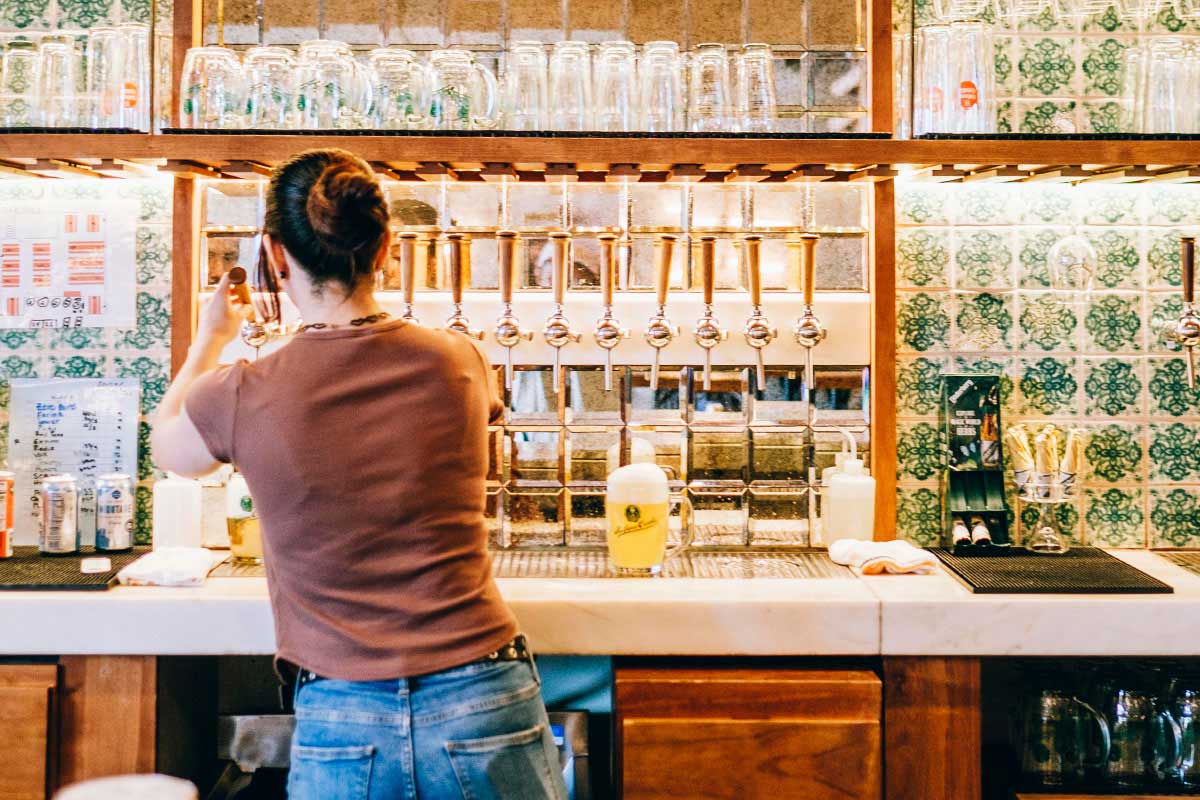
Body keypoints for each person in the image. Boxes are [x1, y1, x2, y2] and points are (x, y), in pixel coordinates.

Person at [153, 148, 568, 800]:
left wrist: (210, 339)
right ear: (385, 249)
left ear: (274, 253)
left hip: (343, 713)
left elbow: (169, 449)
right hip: (486, 692)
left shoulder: (243, 390)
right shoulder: (458, 361)